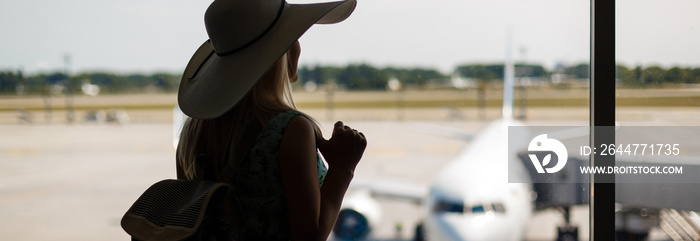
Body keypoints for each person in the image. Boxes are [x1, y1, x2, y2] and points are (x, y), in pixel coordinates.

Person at [175, 0, 365, 240]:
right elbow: (309, 236)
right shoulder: (290, 129)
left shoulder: (193, 134)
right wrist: (342, 167)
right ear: (292, 54)